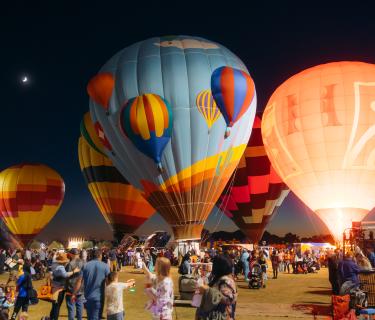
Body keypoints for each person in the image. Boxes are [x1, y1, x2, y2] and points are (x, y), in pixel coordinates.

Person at [196, 255, 237, 320]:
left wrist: (207, 290)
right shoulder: (218, 278)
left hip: (221, 316)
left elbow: (229, 299)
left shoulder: (226, 281)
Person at [50, 252, 80, 320]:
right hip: (59, 289)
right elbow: (65, 275)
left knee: (55, 306)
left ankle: (52, 318)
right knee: (57, 306)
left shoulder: (55, 265)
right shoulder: (60, 267)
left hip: (55, 288)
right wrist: (74, 271)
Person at [83, 249, 110, 320]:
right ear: (100, 255)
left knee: (90, 317)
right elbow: (108, 283)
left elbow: (80, 281)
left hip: (87, 297)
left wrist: (74, 294)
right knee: (97, 317)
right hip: (99, 297)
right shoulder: (105, 266)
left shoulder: (86, 265)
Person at [65, 249, 84, 320]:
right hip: (81, 289)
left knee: (71, 309)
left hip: (71, 290)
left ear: (72, 254)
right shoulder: (84, 262)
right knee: (80, 308)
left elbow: (66, 275)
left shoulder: (70, 264)